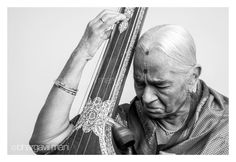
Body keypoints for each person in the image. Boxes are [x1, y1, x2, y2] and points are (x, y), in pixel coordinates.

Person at [29, 9, 228, 155]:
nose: (147, 98)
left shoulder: (225, 123)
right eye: (140, 83)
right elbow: (44, 143)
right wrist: (82, 52)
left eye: (161, 85)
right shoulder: (119, 119)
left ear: (193, 77)